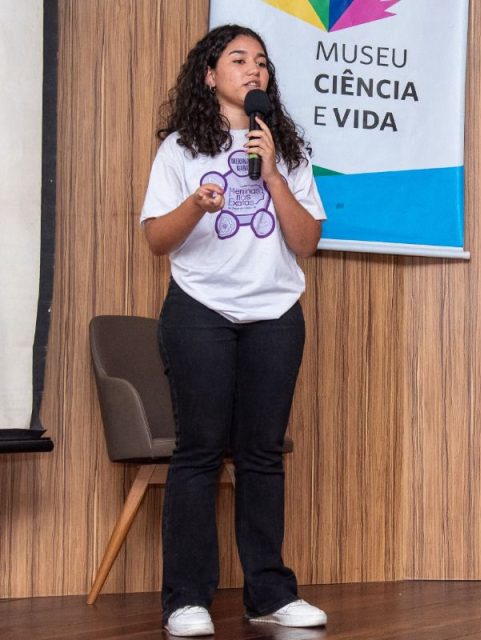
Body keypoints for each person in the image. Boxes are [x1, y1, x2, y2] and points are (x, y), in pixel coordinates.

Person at [139, 24, 327, 637]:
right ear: (209, 76)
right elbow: (155, 241)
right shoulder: (179, 148)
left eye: (262, 63)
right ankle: (186, 600)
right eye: (238, 59)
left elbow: (307, 242)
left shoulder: (287, 150)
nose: (254, 69)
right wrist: (197, 203)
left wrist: (272, 175)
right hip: (201, 310)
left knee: (262, 455)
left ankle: (269, 593)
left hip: (275, 313)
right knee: (197, 453)